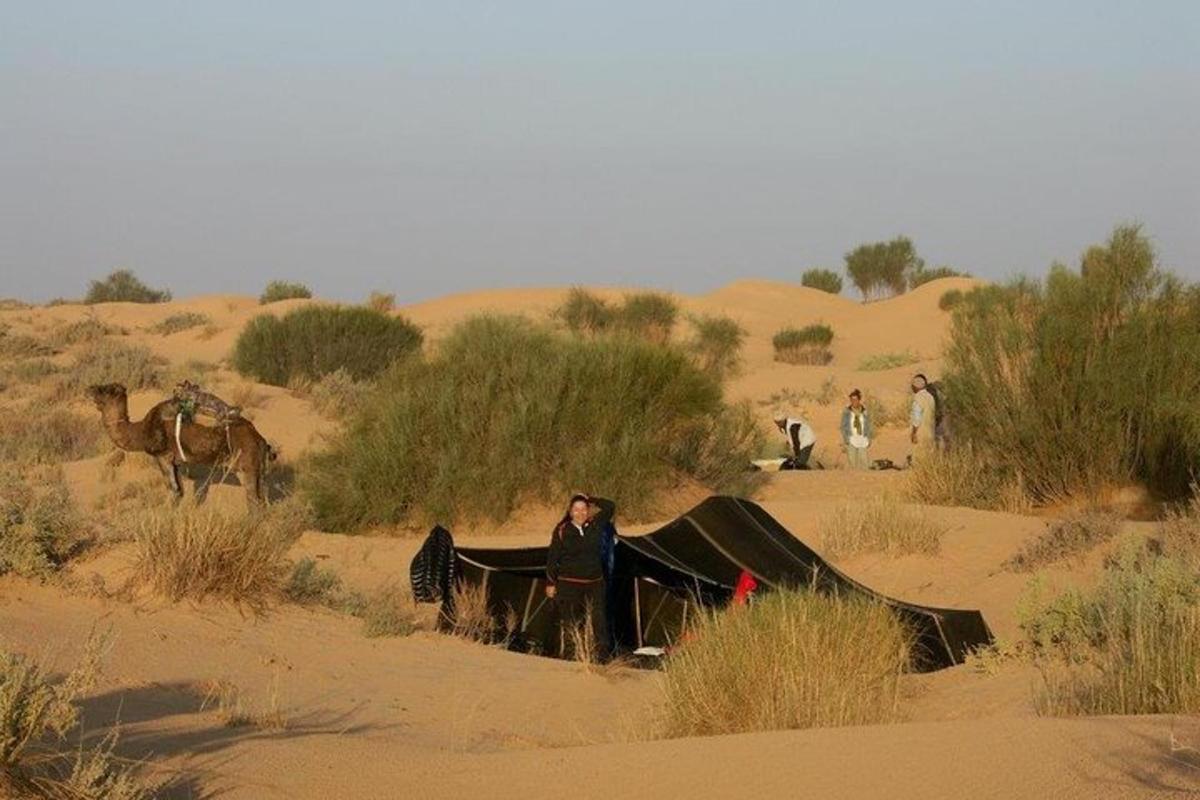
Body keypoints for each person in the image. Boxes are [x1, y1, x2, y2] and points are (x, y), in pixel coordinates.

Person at [545, 493, 615, 660]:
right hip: (569, 583)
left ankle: (602, 657)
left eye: (583, 509)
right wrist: (550, 582)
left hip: (595, 583)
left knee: (599, 620)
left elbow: (610, 506)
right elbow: (552, 558)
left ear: (588, 510)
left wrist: (591, 498)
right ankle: (571, 657)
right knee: (571, 621)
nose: (580, 513)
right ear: (570, 511)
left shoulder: (596, 524)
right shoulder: (562, 530)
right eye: (576, 509)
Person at [839, 389, 873, 470]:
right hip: (851, 439)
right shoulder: (847, 412)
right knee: (852, 464)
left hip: (862, 439)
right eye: (852, 400)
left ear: (859, 400)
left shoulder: (865, 412)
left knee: (864, 462)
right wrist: (845, 438)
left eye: (855, 399)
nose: (853, 402)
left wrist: (869, 437)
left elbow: (868, 425)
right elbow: (843, 426)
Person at [909, 374, 937, 464]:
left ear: (916, 387)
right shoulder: (930, 397)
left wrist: (914, 433)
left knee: (919, 458)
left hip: (921, 432)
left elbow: (917, 418)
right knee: (929, 458)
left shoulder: (918, 398)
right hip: (931, 430)